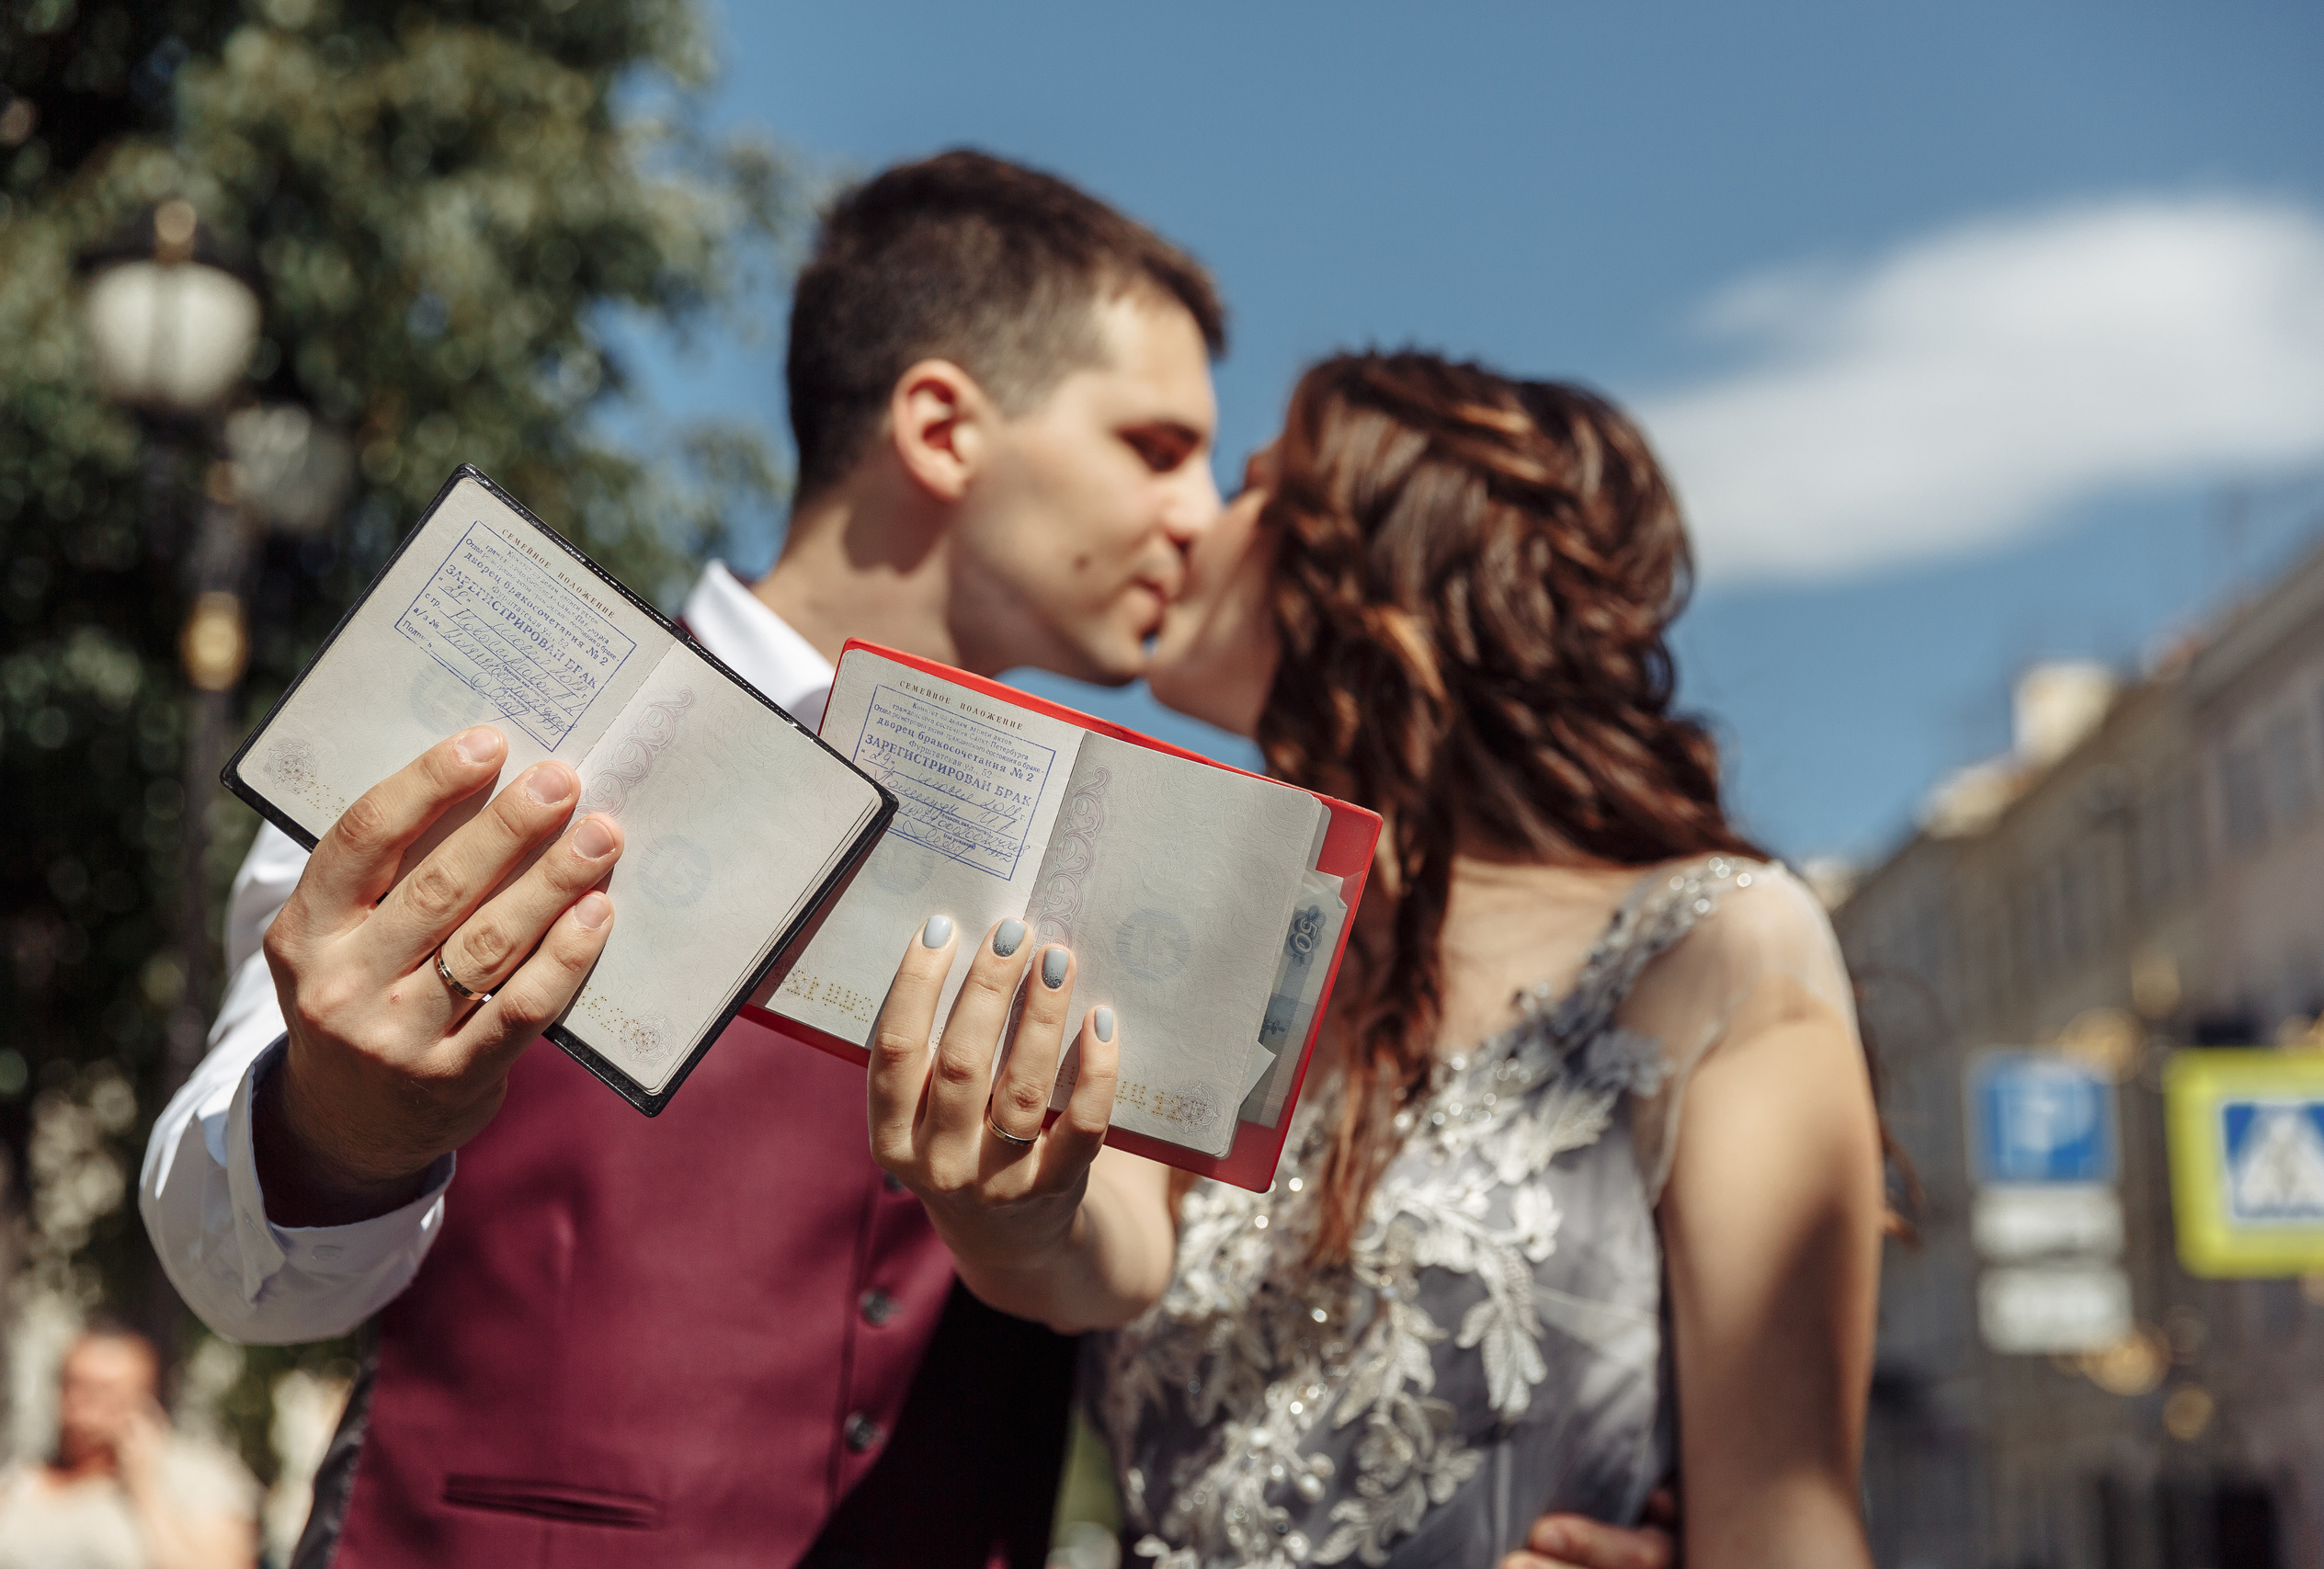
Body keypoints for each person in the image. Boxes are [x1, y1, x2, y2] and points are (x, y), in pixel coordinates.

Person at [139, 153, 1684, 1568]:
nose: (1201, 517)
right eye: (1156, 448)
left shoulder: (1164, 854)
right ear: (943, 430)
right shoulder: (503, 725)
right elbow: (235, 1275)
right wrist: (346, 1119)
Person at [864, 353, 1885, 1567]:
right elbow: (1102, 1254)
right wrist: (1004, 1206)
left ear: (1376, 562)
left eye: (1252, 483)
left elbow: (1787, 1523)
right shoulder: (1213, 923)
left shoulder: (1715, 946)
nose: (1193, 522)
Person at [0, 1325, 256, 1569]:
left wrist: (144, 1486)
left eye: (104, 1393)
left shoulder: (197, 1480)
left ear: (147, 1400)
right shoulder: (7, 1481)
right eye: (73, 1386)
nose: (82, 1407)